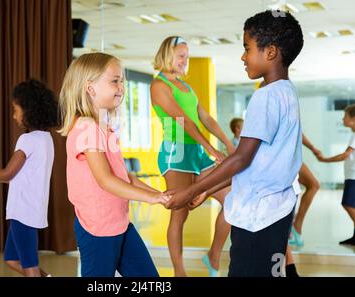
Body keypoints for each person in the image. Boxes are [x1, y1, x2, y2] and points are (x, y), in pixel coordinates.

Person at [165, 10, 304, 277]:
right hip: (276, 212)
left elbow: (242, 159)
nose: (242, 56)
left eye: (247, 48)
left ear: (271, 52)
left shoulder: (265, 97)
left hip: (256, 219)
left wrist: (192, 191)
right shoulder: (288, 92)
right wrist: (209, 190)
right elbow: (258, 166)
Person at [58, 52, 170, 277]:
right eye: (115, 81)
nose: (121, 87)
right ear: (90, 88)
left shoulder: (103, 127)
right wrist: (150, 198)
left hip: (119, 222)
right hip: (98, 227)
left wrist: (160, 195)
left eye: (122, 81)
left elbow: (125, 177)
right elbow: (106, 180)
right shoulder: (87, 127)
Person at [151, 36, 235, 277]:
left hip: (197, 152)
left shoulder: (186, 87)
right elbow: (184, 122)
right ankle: (179, 271)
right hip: (176, 152)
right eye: (180, 56)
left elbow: (205, 118)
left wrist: (229, 144)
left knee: (232, 200)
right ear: (167, 55)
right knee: (180, 213)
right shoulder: (159, 85)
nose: (184, 61)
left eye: (186, 56)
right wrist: (211, 148)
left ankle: (213, 257)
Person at [0, 79, 58, 277]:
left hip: (22, 211)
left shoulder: (27, 140)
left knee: (29, 264)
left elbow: (8, 173)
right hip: (31, 210)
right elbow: (15, 176)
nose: (14, 115)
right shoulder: (46, 139)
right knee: (12, 259)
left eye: (16, 109)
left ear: (29, 110)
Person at [315, 104, 355, 246]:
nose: (343, 119)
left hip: (353, 177)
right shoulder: (353, 135)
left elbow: (345, 155)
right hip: (351, 176)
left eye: (345, 117)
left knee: (348, 204)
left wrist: (325, 160)